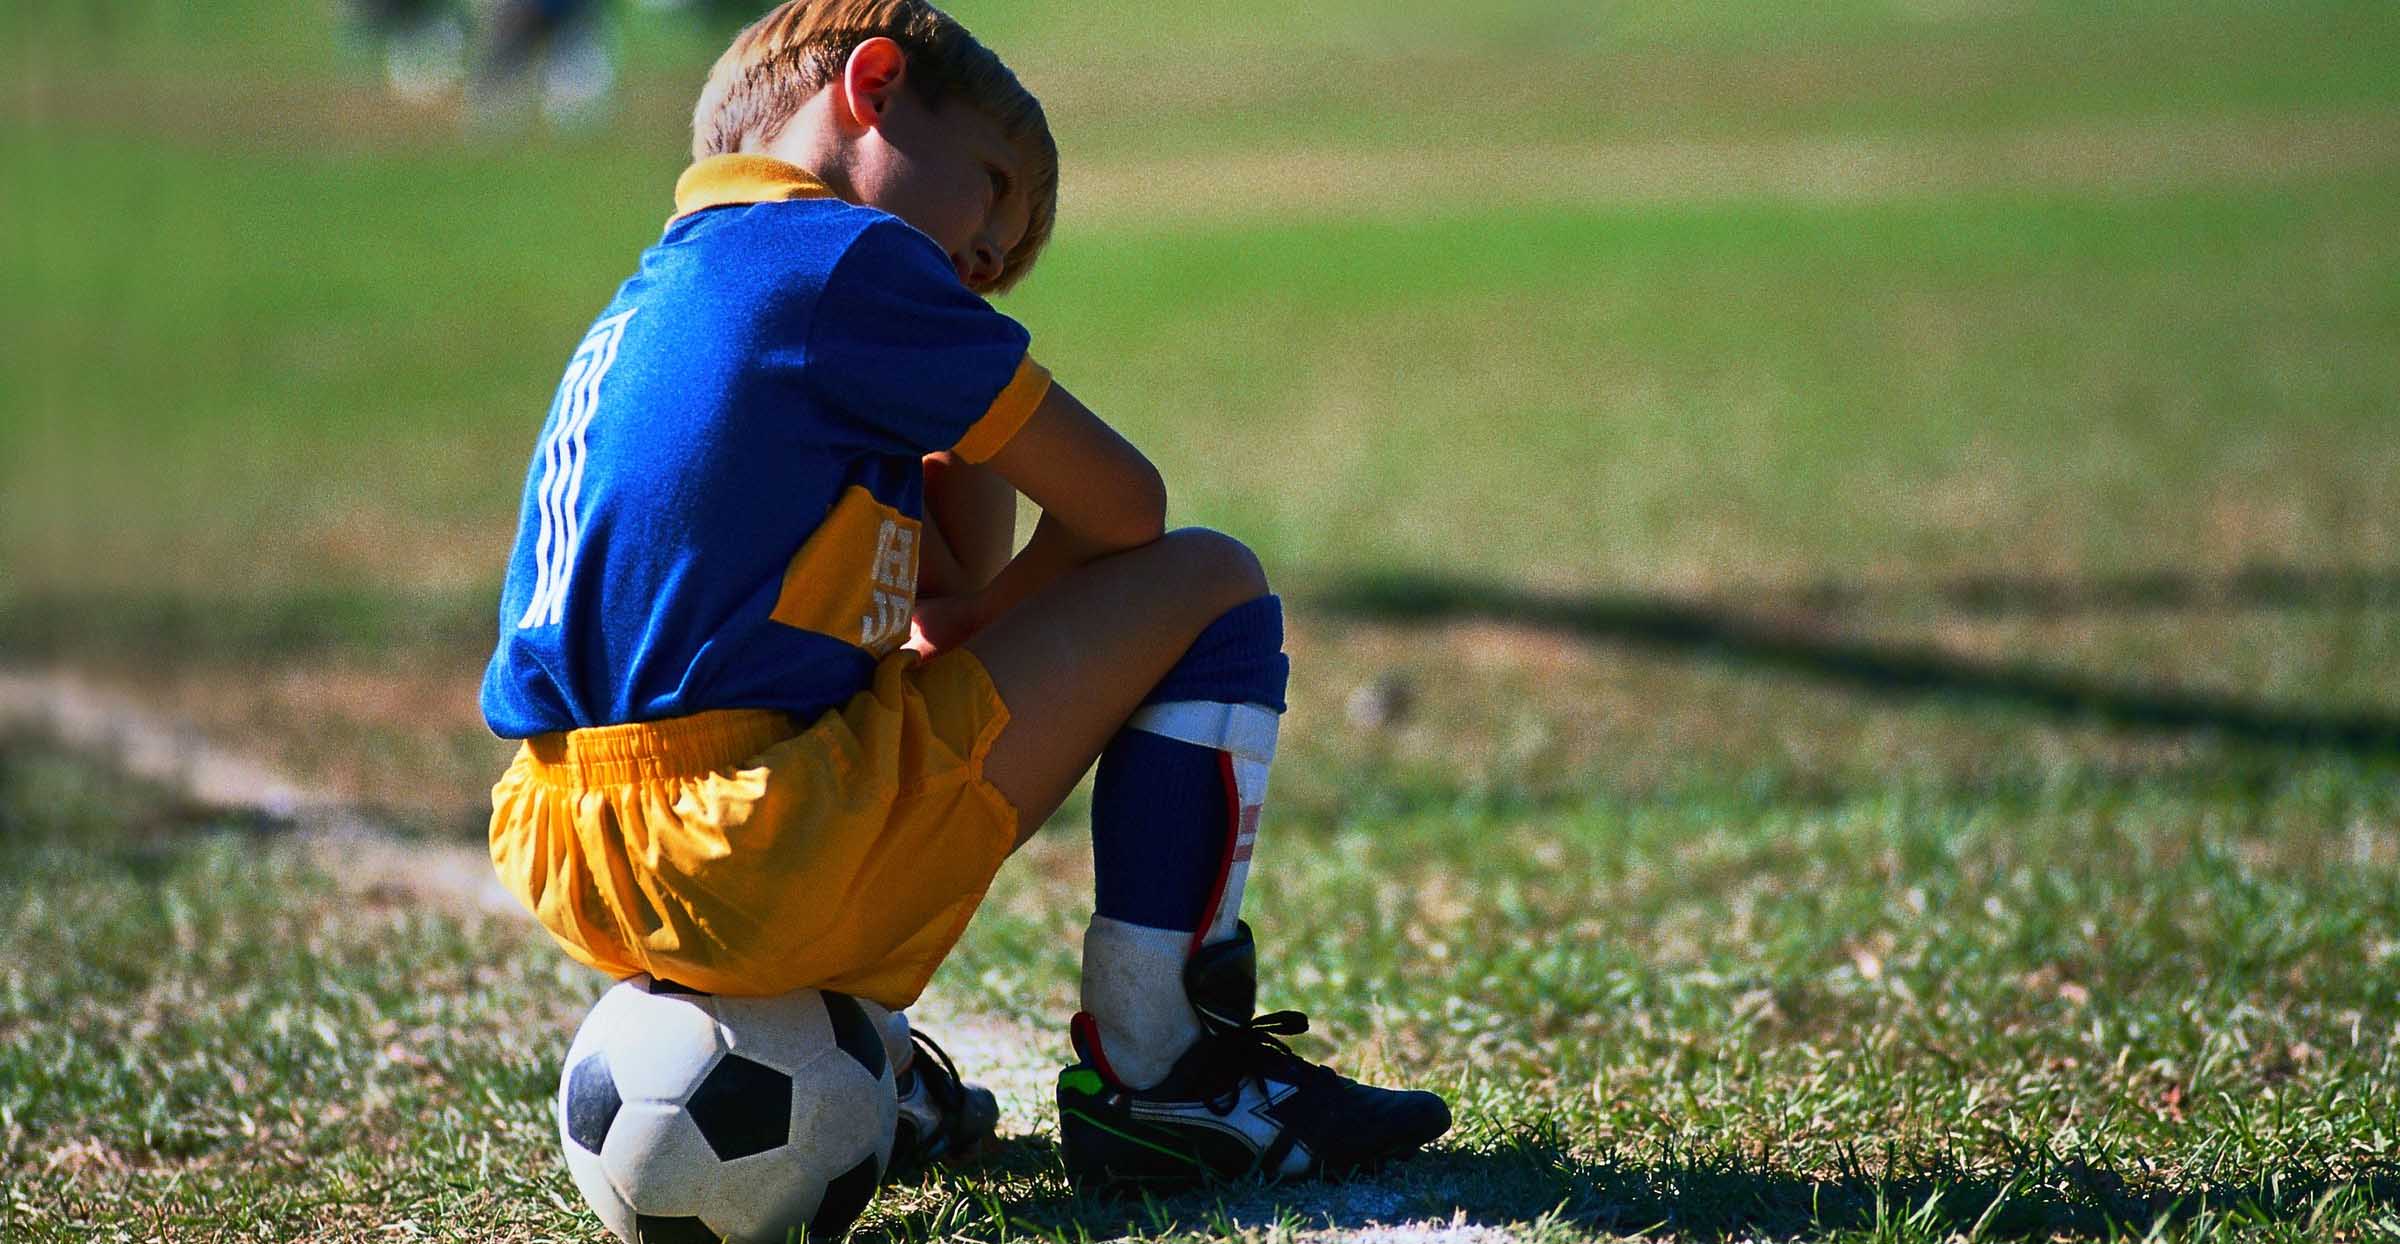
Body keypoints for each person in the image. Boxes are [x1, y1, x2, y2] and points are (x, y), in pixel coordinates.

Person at [479, 0, 1450, 1185]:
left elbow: (938, 602)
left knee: (895, 692)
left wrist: (956, 425)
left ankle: (865, 1047)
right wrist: (1016, 582)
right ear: (873, 87)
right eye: (994, 189)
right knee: (1210, 579)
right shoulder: (841, 258)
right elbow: (1124, 508)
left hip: (570, 840)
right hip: (750, 841)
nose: (992, 256)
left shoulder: (680, 281)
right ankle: (1170, 1070)